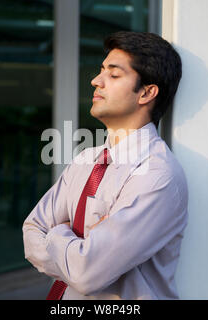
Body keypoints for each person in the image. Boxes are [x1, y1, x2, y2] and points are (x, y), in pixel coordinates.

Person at [22, 31, 188, 300]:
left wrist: (57, 232)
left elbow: (87, 274)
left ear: (146, 92)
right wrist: (77, 248)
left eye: (113, 75)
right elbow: (31, 230)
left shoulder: (159, 175)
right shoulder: (86, 160)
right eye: (101, 71)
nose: (96, 81)